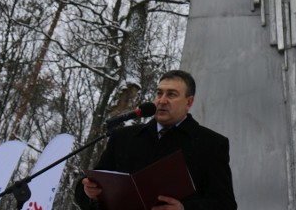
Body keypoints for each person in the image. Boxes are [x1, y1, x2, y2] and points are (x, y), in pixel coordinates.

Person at [75, 70, 237, 210]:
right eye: (159, 93)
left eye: (171, 94)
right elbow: (93, 184)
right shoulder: (123, 137)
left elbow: (225, 204)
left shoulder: (211, 144)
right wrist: (89, 192)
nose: (162, 100)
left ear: (189, 102)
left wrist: (184, 208)